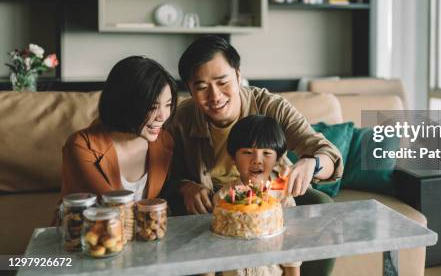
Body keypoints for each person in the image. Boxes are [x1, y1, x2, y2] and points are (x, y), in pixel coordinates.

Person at [169, 35, 342, 275]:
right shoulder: (181, 117)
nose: (215, 96)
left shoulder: (271, 106)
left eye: (222, 82)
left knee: (323, 206)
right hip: (213, 202)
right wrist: (186, 187)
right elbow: (164, 174)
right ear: (189, 88)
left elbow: (329, 155)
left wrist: (311, 164)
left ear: (238, 75)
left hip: (271, 193)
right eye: (201, 87)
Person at [61, 56, 177, 201]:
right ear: (124, 103)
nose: (163, 116)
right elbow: (109, 207)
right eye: (153, 107)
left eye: (168, 104)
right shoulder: (81, 146)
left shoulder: (165, 141)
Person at [210, 115, 300, 276]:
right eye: (247, 152)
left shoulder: (283, 198)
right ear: (233, 158)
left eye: (266, 153)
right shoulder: (224, 198)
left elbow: (291, 251)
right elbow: (211, 248)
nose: (257, 160)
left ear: (278, 159)